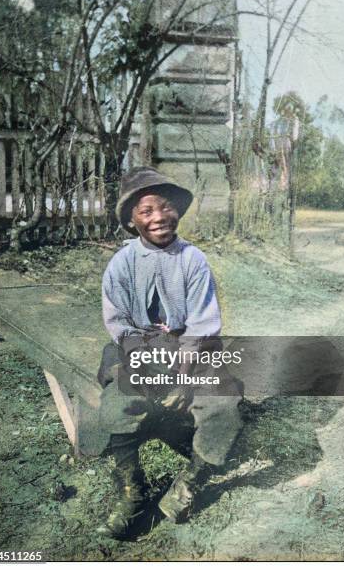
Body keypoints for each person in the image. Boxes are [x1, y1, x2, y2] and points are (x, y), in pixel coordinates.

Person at [98, 166, 242, 539]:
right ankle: (133, 492)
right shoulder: (121, 264)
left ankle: (190, 482)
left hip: (191, 349)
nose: (158, 217)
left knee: (222, 401)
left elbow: (202, 324)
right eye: (146, 211)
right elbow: (120, 325)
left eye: (165, 207)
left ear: (177, 210)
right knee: (117, 402)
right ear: (132, 221)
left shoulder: (193, 260)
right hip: (139, 351)